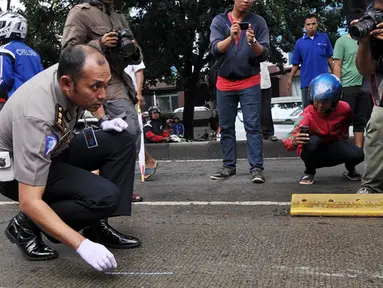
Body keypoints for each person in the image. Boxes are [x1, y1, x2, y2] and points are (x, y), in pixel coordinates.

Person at [0, 44, 140, 271]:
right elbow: (29, 199)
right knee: (104, 197)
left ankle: (95, 224)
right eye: (96, 87)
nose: (103, 95)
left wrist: (104, 119)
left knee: (122, 140)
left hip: (54, 148)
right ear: (66, 83)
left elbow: (91, 92)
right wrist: (81, 245)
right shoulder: (37, 116)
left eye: (105, 85)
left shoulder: (73, 71)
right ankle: (26, 225)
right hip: (17, 171)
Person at [61, 0, 144, 201]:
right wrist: (99, 44)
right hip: (95, 80)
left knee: (127, 134)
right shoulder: (80, 13)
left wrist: (132, 49)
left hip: (119, 78)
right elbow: (67, 53)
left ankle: (106, 187)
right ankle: (108, 188)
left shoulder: (119, 16)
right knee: (129, 130)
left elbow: (135, 56)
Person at [209, 0, 270, 183]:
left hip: (249, 80)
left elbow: (264, 53)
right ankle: (229, 166)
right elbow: (214, 49)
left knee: (253, 125)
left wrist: (253, 42)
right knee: (226, 127)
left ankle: (256, 168)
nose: (246, 1)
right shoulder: (219, 21)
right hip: (225, 82)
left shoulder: (258, 22)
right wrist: (231, 37)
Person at [282, 73, 364, 185]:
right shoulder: (307, 115)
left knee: (359, 154)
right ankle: (309, 172)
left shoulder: (344, 109)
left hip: (333, 146)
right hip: (313, 151)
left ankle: (350, 170)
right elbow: (288, 136)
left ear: (334, 100)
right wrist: (294, 141)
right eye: (317, 101)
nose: (320, 105)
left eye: (325, 101)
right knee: (313, 141)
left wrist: (342, 137)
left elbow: (347, 121)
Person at [352, 0, 383, 194]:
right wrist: (363, 43)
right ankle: (372, 185)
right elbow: (365, 70)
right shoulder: (370, 15)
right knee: (377, 122)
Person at [333, 14, 372, 148]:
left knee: (360, 122)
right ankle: (345, 154)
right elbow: (337, 65)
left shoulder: (368, 40)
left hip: (365, 86)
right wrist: (337, 89)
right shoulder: (341, 41)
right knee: (344, 121)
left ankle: (357, 154)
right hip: (347, 87)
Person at [288, 14, 334, 109]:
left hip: (323, 83)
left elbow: (330, 59)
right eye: (308, 24)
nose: (311, 26)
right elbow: (296, 64)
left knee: (323, 110)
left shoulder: (324, 37)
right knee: (308, 111)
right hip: (307, 83)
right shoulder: (299, 42)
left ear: (317, 24)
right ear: (304, 26)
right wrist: (290, 79)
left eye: (313, 23)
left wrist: (336, 75)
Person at [0, 12, 43, 110]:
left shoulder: (5, 50)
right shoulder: (34, 54)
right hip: (34, 105)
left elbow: (4, 81)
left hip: (14, 105)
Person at [124, 62, 158, 180]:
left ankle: (147, 160)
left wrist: (138, 93)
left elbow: (139, 71)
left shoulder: (130, 47)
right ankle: (148, 160)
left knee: (131, 132)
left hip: (128, 97)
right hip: (113, 96)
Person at [260, 61, 277, 141]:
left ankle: (268, 133)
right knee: (252, 110)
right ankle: (257, 133)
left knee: (266, 109)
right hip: (249, 83)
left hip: (264, 83)